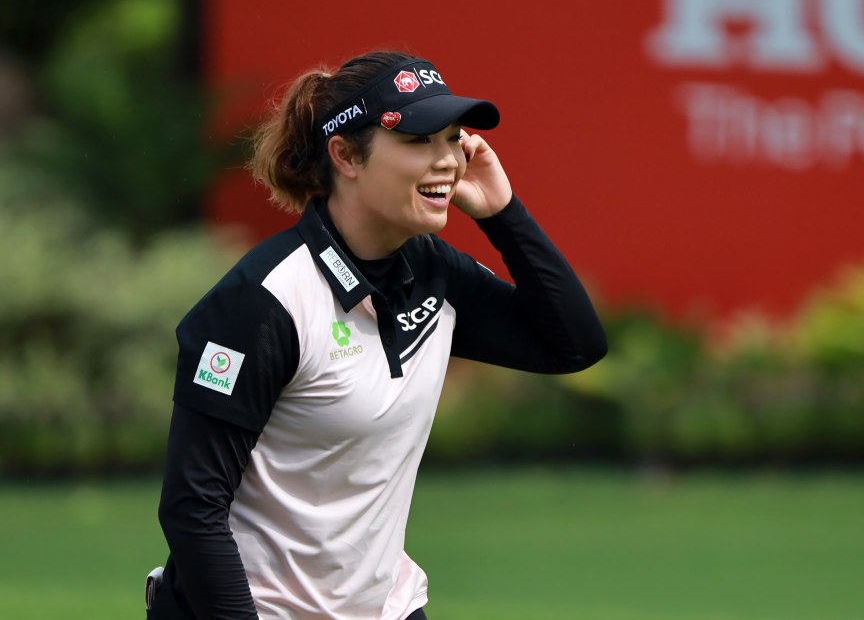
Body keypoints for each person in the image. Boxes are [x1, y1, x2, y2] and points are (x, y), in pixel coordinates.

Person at [149, 51, 607, 620]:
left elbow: (573, 344)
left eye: (452, 139)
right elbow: (193, 509)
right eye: (418, 141)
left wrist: (503, 214)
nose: (447, 161)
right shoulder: (263, 301)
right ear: (345, 155)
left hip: (385, 606)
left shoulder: (432, 270)